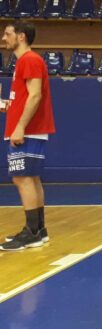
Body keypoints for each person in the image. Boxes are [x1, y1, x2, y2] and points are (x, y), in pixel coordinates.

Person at [0, 21, 55, 252]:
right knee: (31, 177)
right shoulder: (25, 61)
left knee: (22, 178)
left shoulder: (29, 60)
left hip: (27, 130)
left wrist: (20, 127)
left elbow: (35, 96)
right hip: (29, 128)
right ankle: (39, 229)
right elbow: (25, 98)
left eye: (7, 34)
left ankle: (31, 232)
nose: (4, 38)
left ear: (21, 36)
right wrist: (5, 105)